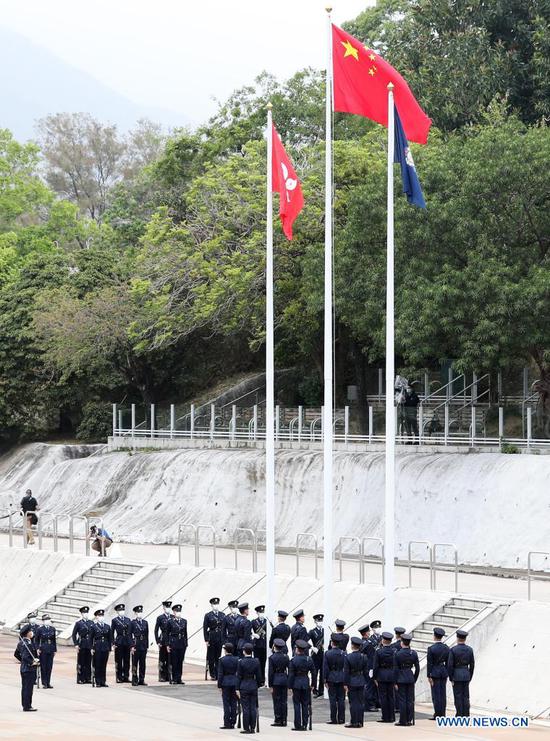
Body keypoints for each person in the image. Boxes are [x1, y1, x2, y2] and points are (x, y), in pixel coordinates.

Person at [393, 632, 419, 726]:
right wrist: (414, 678)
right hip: (410, 677)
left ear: (402, 642)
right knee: (410, 700)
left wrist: (395, 681)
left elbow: (395, 669)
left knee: (402, 700)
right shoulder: (413, 653)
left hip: (401, 678)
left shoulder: (398, 654)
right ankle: (409, 719)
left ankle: (403, 720)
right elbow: (417, 668)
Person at [288, 638, 314, 731]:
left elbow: (291, 675)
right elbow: (314, 673)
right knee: (305, 704)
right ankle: (305, 724)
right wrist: (313, 684)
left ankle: (298, 725)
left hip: (296, 684)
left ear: (297, 649)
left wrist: (289, 686)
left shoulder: (293, 660)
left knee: (296, 705)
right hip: (306, 683)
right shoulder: (309, 659)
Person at [448, 629, 475, 717]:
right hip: (466, 674)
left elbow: (450, 665)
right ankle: (466, 714)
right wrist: (469, 676)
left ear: (457, 638)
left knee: (458, 696)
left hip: (457, 674)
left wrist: (451, 677)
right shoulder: (469, 650)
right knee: (466, 696)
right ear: (465, 639)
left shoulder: (453, 650)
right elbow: (472, 664)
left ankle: (459, 714)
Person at [236, 642, 261, 734]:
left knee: (246, 708)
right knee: (253, 707)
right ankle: (253, 727)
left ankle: (246, 727)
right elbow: (259, 676)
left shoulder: (241, 662)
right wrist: (257, 685)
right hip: (253, 685)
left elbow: (239, 676)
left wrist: (237, 688)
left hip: (244, 685)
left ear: (244, 651)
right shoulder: (256, 661)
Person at [344, 636, 369, 728]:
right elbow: (366, 671)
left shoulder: (348, 657)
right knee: (360, 702)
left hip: (352, 681)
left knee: (353, 702)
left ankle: (354, 721)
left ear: (352, 646)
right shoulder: (364, 657)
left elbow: (346, 672)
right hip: (361, 680)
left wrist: (345, 683)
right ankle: (360, 721)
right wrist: (366, 681)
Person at [14, 624, 40, 711]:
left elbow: (16, 654)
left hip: (24, 668)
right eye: (30, 631)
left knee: (25, 687)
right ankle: (27, 706)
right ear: (27, 633)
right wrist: (32, 662)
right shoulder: (27, 644)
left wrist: (23, 662)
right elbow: (25, 657)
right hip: (29, 669)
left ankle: (25, 704)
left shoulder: (21, 643)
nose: (32, 632)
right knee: (28, 688)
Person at [373, 631, 395, 724]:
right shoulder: (394, 651)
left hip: (381, 676)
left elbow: (375, 666)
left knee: (383, 697)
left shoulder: (379, 651)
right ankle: (392, 716)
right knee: (391, 696)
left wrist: (375, 677)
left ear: (383, 640)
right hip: (391, 675)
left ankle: (385, 717)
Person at [323, 633, 346, 725]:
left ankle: (333, 718)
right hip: (341, 677)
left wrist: (325, 679)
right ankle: (341, 718)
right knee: (341, 699)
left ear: (332, 642)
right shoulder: (343, 653)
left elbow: (325, 668)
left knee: (332, 699)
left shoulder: (327, 653)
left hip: (331, 677)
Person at [427, 627, 449, 719]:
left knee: (436, 695)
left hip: (435, 672)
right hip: (443, 672)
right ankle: (443, 714)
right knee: (442, 694)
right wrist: (447, 672)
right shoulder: (446, 648)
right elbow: (448, 662)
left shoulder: (431, 648)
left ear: (435, 636)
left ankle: (437, 713)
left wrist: (429, 675)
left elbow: (430, 663)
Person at [218, 642, 239, 729]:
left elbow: (220, 674)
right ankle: (233, 721)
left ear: (225, 650)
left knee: (226, 704)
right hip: (234, 682)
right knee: (234, 702)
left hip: (225, 682)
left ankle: (227, 722)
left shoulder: (222, 660)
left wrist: (219, 685)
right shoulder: (237, 659)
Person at [268, 637, 289, 727]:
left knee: (277, 701)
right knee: (284, 701)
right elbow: (289, 669)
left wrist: (270, 685)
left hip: (276, 680)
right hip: (284, 679)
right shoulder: (286, 657)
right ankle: (284, 719)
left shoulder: (272, 658)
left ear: (274, 647)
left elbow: (270, 672)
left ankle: (278, 719)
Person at [358, 624, 379, 711]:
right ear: (366, 633)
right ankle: (369, 705)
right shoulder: (369, 644)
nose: (369, 633)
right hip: (369, 667)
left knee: (366, 686)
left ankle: (368, 703)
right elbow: (371, 658)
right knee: (369, 686)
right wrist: (372, 669)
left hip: (363, 667)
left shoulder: (360, 642)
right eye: (368, 631)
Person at [203, 597, 224, 680]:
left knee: (218, 657)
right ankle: (212, 674)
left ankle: (218, 673)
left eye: (217, 604)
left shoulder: (222, 615)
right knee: (211, 657)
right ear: (211, 605)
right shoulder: (208, 615)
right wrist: (206, 639)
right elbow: (205, 628)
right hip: (212, 637)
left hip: (219, 637)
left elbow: (224, 627)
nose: (216, 605)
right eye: (214, 604)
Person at [72, 606, 93, 684]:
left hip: (89, 644)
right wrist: (76, 644)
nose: (86, 614)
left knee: (88, 661)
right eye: (84, 613)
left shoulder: (91, 622)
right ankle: (80, 678)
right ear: (81, 614)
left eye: (87, 612)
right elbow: (74, 634)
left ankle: (88, 677)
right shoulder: (78, 623)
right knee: (81, 661)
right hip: (82, 643)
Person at [111, 603, 132, 683]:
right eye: (120, 610)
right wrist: (113, 643)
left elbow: (130, 632)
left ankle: (126, 676)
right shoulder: (115, 620)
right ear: (117, 611)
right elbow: (112, 632)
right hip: (119, 641)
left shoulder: (128, 620)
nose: (122, 611)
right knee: (119, 660)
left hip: (127, 641)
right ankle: (119, 677)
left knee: (127, 660)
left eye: (123, 610)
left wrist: (131, 643)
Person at [167, 604, 188, 684]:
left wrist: (186, 643)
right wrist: (168, 644)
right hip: (174, 643)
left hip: (182, 643)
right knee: (174, 661)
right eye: (177, 611)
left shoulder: (184, 621)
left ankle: (179, 678)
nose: (179, 613)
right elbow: (167, 633)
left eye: (180, 611)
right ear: (174, 612)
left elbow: (185, 633)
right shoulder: (170, 621)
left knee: (180, 661)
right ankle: (174, 678)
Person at [91, 609, 112, 687]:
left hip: (105, 647)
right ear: (96, 617)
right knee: (98, 665)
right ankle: (98, 681)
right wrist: (91, 648)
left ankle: (103, 681)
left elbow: (110, 638)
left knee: (104, 665)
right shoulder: (94, 626)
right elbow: (90, 638)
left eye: (102, 615)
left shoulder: (107, 626)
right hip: (97, 647)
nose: (101, 617)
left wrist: (109, 648)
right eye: (99, 616)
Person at [36, 613, 56, 688]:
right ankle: (44, 683)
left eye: (48, 620)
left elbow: (54, 640)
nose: (48, 621)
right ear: (43, 621)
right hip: (43, 649)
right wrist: (37, 648)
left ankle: (48, 682)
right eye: (46, 620)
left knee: (49, 667)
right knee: (43, 667)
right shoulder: (40, 629)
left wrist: (54, 650)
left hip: (50, 649)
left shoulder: (52, 629)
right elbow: (37, 640)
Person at [130, 605, 149, 686]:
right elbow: (129, 635)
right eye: (138, 612)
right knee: (135, 663)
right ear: (135, 613)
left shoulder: (145, 622)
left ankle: (142, 679)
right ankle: (134, 679)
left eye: (141, 612)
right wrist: (131, 646)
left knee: (142, 663)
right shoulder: (133, 623)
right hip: (136, 645)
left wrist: (147, 645)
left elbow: (146, 634)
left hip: (143, 645)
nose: (140, 613)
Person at [154, 600, 172, 682]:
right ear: (164, 608)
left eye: (169, 607)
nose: (168, 608)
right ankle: (162, 676)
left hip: (171, 639)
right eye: (166, 607)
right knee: (162, 658)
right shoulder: (160, 618)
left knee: (169, 659)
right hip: (163, 639)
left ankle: (169, 675)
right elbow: (156, 630)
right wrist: (158, 641)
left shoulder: (172, 617)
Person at [307, 614, 324, 696]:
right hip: (315, 655)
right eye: (318, 621)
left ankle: (321, 690)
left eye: (321, 621)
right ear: (315, 621)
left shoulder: (325, 631)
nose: (320, 622)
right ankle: (314, 689)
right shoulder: (312, 631)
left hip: (323, 654)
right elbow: (305, 640)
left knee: (323, 673)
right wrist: (312, 647)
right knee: (314, 672)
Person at [251, 605, 268, 686]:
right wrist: (253, 634)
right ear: (257, 613)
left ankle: (262, 679)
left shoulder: (266, 622)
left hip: (264, 645)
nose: (262, 613)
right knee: (257, 663)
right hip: (257, 645)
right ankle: (257, 679)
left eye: (263, 612)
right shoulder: (254, 622)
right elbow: (250, 631)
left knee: (263, 663)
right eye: (260, 612)